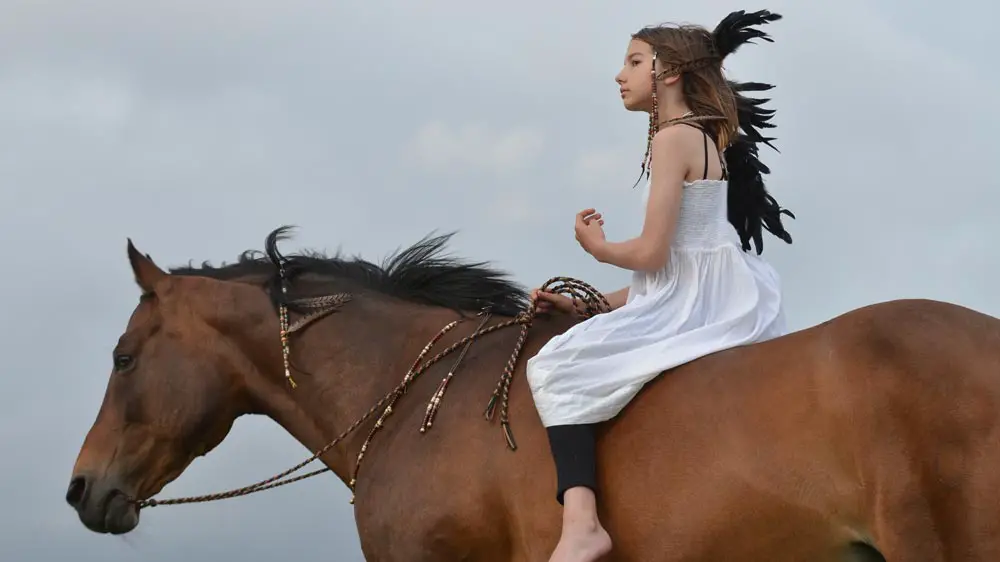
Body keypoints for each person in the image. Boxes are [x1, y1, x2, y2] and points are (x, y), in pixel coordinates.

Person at [524, 10, 794, 562]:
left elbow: (650, 254)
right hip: (713, 293)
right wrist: (588, 304)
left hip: (698, 306)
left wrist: (596, 248)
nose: (619, 75)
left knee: (552, 367)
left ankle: (581, 525)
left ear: (667, 73)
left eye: (634, 62)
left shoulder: (673, 139)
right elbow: (672, 273)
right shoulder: (701, 136)